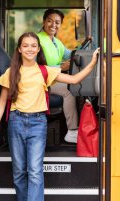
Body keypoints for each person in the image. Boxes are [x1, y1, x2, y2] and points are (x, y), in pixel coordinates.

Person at [0, 32, 99, 201]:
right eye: (25, 45)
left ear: (38, 49)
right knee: (19, 169)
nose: (29, 49)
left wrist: (92, 62)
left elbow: (73, 80)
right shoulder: (12, 72)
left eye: (33, 46)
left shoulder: (46, 71)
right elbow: (2, 100)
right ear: (19, 49)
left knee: (35, 169)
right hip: (16, 122)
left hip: (38, 123)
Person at [37, 9, 79, 143]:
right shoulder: (37, 39)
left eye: (57, 22)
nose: (53, 25)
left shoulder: (56, 42)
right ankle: (72, 131)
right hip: (41, 81)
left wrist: (86, 50)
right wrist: (60, 67)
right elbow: (35, 67)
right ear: (44, 22)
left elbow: (70, 55)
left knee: (78, 86)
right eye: (49, 21)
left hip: (52, 78)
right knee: (69, 91)